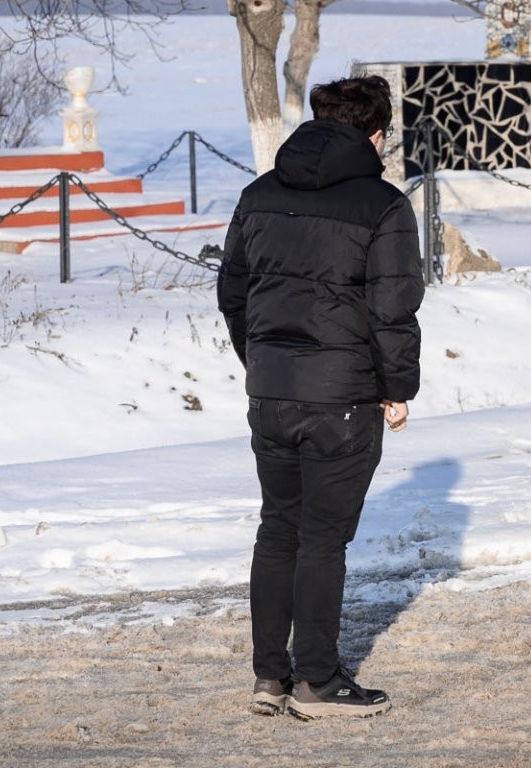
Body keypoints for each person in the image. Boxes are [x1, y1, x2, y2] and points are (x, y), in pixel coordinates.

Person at [218, 75, 421, 719]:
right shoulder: (383, 204)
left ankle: (270, 677)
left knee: (278, 528)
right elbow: (393, 308)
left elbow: (232, 295)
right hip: (343, 396)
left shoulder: (258, 193)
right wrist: (397, 387)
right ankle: (317, 681)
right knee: (322, 539)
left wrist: (264, 361)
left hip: (271, 390)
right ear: (377, 135)